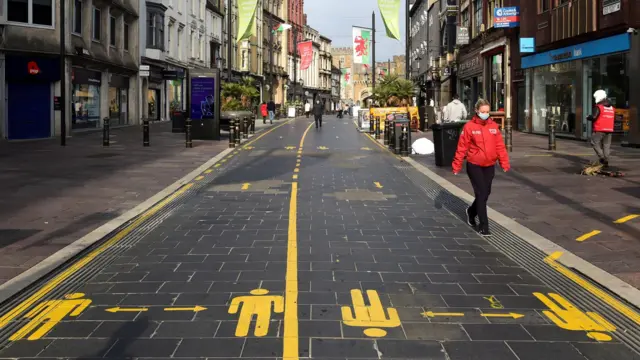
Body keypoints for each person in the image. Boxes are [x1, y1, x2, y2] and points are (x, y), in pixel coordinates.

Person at [452, 98, 510, 236]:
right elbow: (462, 147)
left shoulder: (493, 126)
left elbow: (500, 146)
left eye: (487, 112)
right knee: (481, 193)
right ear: (476, 111)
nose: (485, 114)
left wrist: (504, 162)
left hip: (489, 165)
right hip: (474, 165)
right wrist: (457, 164)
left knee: (486, 193)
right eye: (482, 111)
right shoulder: (469, 127)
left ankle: (471, 212)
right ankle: (484, 227)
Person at [587, 89, 615, 168]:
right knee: (606, 145)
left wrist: (588, 117)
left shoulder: (598, 107)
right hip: (609, 129)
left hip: (600, 129)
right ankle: (606, 161)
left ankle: (602, 158)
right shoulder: (612, 108)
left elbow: (594, 117)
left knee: (594, 142)